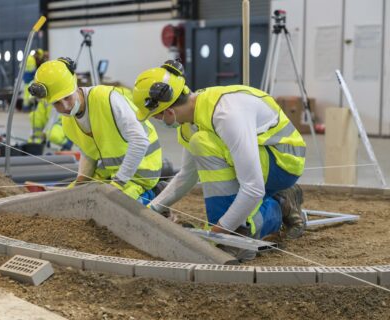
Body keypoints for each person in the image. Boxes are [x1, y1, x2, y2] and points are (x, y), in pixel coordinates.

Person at [133, 60, 306, 260]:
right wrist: (152, 209)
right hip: (261, 161)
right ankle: (238, 231)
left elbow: (253, 188)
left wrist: (218, 233)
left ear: (169, 112)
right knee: (201, 142)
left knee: (204, 145)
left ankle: (281, 202)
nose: (159, 121)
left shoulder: (226, 115)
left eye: (157, 116)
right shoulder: (191, 122)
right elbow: (187, 176)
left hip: (284, 161)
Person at [28, 57, 163, 203]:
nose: (65, 107)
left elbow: (140, 141)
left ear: (75, 85)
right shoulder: (68, 122)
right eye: (57, 103)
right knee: (72, 199)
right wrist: (81, 182)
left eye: (67, 98)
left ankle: (153, 194)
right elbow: (89, 154)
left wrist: (118, 183)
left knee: (112, 206)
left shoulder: (106, 99)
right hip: (111, 173)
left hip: (142, 172)